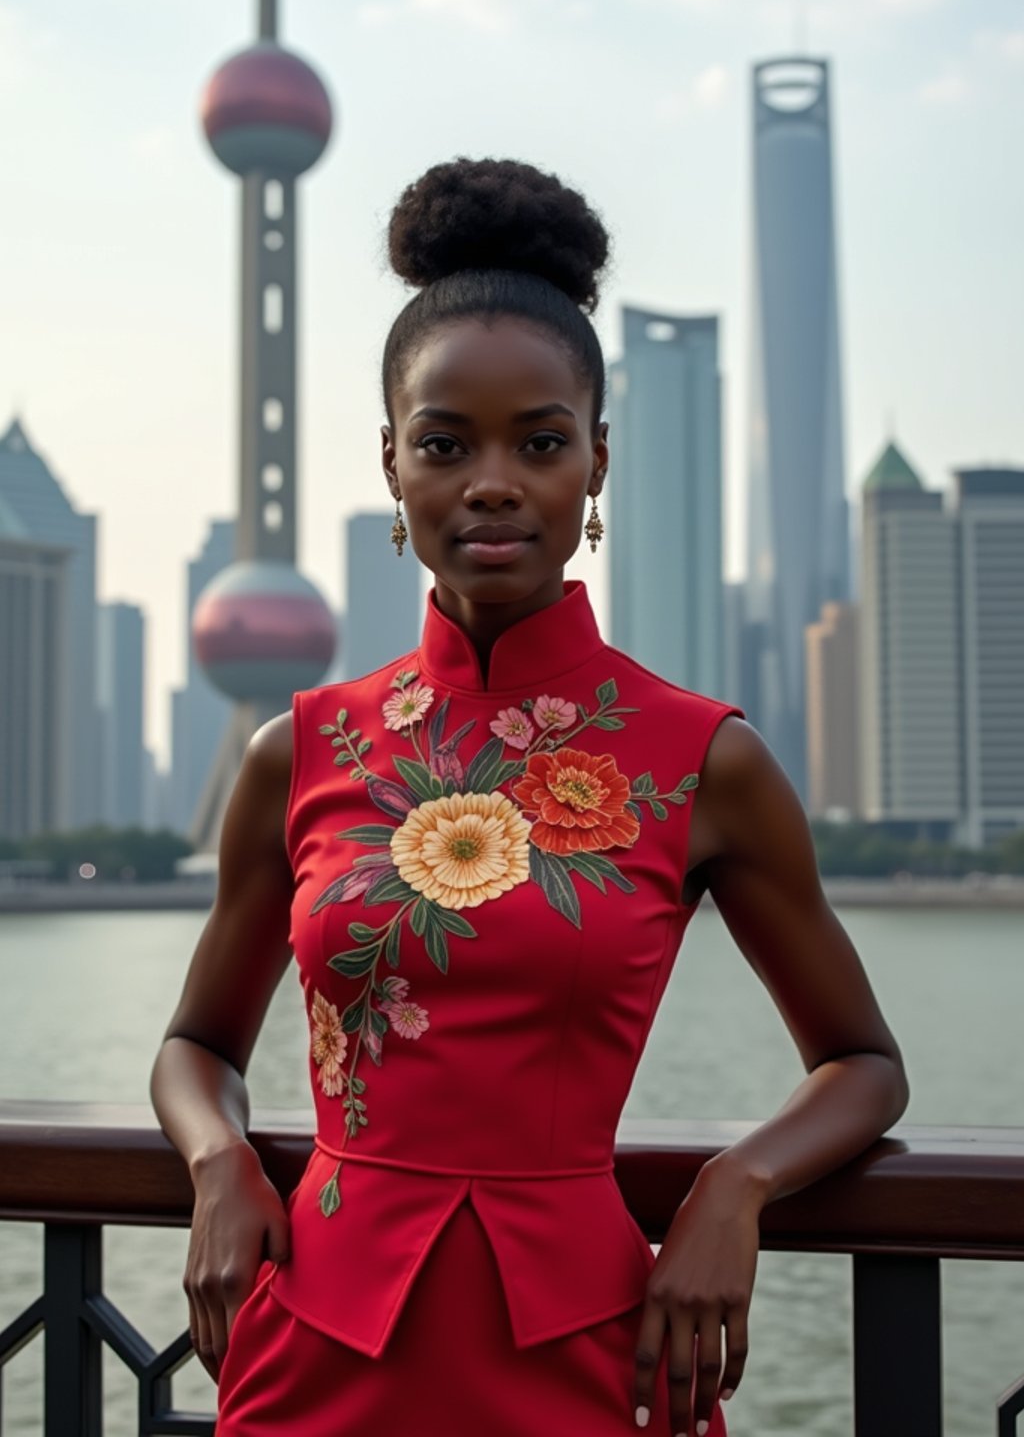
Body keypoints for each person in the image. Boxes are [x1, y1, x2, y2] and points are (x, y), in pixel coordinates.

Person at [151, 155, 909, 1437]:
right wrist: (220, 1160)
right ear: (391, 465)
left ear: (595, 464)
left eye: (539, 443)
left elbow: (862, 1064)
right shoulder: (302, 748)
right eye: (444, 444)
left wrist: (736, 1186)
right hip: (310, 1351)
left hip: (598, 1355)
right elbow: (197, 1049)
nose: (490, 482)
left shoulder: (698, 756)